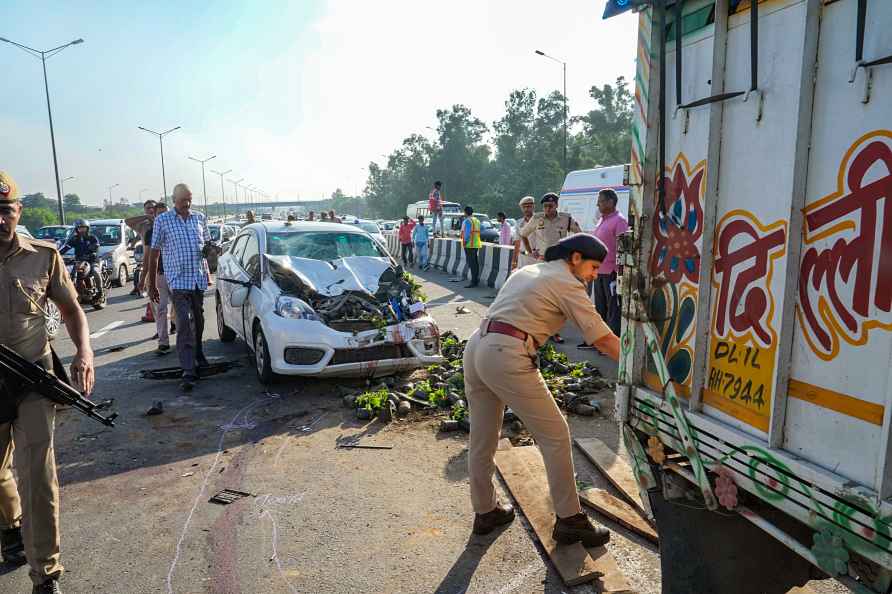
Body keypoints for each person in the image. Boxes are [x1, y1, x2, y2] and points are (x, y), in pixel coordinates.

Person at [463, 233, 619, 545]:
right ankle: (569, 519)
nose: (593, 275)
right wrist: (641, 366)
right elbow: (601, 338)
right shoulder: (566, 281)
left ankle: (485, 511)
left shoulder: (530, 270)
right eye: (592, 267)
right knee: (556, 436)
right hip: (506, 352)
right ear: (575, 258)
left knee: (482, 438)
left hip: (478, 345)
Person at [0, 170, 95, 594]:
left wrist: (85, 354)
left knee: (37, 476)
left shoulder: (44, 255)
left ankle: (46, 575)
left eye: (5, 211)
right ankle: (12, 526)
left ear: (18, 212)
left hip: (33, 379)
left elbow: (73, 310)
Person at [146, 184, 211, 392]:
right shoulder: (162, 221)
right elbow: (154, 253)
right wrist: (151, 283)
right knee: (183, 322)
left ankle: (198, 352)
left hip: (198, 279)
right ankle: (188, 370)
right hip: (178, 281)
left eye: (190, 199)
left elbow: (208, 245)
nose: (187, 204)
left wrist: (212, 251)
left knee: (199, 321)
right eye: (184, 200)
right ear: (174, 199)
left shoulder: (200, 218)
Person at [519, 193, 581, 343]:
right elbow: (523, 234)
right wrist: (530, 251)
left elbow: (579, 235)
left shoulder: (566, 219)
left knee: (558, 300)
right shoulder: (537, 219)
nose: (547, 209)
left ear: (557, 205)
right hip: (542, 265)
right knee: (541, 298)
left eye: (550, 206)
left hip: (561, 265)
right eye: (545, 206)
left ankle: (555, 331)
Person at [589, 189, 628, 339]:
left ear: (610, 202)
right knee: (600, 308)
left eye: (601, 200)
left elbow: (622, 249)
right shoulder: (602, 219)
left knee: (613, 309)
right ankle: (601, 340)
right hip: (599, 272)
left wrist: (619, 273)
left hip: (612, 273)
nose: (597, 204)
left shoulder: (619, 221)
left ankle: (612, 341)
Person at [139, 202, 176, 354]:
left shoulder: (177, 229)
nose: (162, 217)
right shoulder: (151, 232)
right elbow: (148, 258)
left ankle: (185, 340)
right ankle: (163, 342)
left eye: (165, 213)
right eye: (158, 214)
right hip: (159, 275)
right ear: (154, 216)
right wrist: (143, 280)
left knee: (181, 309)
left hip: (177, 276)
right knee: (160, 309)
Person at [62, 220, 101, 290]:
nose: (82, 230)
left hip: (92, 261)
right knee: (70, 273)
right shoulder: (74, 239)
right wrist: (57, 254)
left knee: (95, 272)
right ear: (76, 229)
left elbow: (96, 247)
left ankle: (100, 291)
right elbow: (65, 248)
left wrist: (93, 253)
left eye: (83, 228)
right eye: (79, 228)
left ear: (87, 228)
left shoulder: (92, 238)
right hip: (79, 261)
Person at [512, 196, 537, 271]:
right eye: (524, 207)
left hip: (536, 259)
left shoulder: (540, 221)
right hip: (522, 259)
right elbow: (517, 243)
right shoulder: (519, 223)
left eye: (529, 206)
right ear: (521, 208)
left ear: (533, 207)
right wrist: (514, 261)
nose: (526, 209)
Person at [461, 205, 482, 288]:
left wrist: (465, 242)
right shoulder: (477, 220)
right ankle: (475, 280)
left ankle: (473, 282)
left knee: (472, 264)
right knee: (475, 263)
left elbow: (467, 234)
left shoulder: (467, 221)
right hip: (476, 244)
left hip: (469, 245)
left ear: (465, 212)